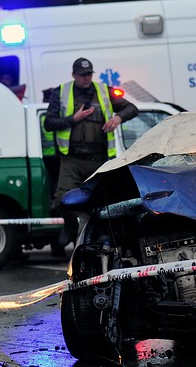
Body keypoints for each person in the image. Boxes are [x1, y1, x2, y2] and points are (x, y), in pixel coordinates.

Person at [44, 57, 138, 254]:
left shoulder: (104, 91)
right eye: (82, 75)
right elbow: (49, 123)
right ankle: (70, 228)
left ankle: (102, 239)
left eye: (89, 74)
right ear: (74, 75)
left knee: (105, 201)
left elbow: (132, 108)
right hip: (72, 159)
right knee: (63, 198)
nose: (86, 78)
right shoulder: (61, 92)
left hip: (99, 160)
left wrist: (118, 117)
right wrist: (73, 119)